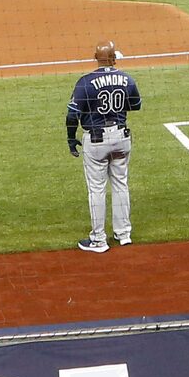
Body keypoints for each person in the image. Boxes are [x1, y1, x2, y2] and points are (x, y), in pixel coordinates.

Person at [65, 41, 139, 253]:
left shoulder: (86, 82)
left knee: (97, 189)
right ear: (114, 58)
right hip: (121, 137)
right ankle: (124, 233)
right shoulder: (126, 78)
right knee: (121, 184)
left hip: (96, 140)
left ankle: (98, 239)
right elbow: (136, 105)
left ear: (95, 57)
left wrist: (71, 138)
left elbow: (72, 115)